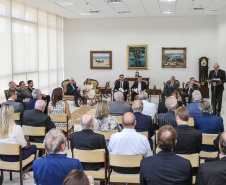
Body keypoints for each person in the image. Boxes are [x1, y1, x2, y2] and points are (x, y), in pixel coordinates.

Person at [0, 104, 37, 179]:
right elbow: (23, 145)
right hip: (16, 157)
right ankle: (25, 171)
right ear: (12, 114)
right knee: (33, 147)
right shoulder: (17, 128)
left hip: (3, 157)